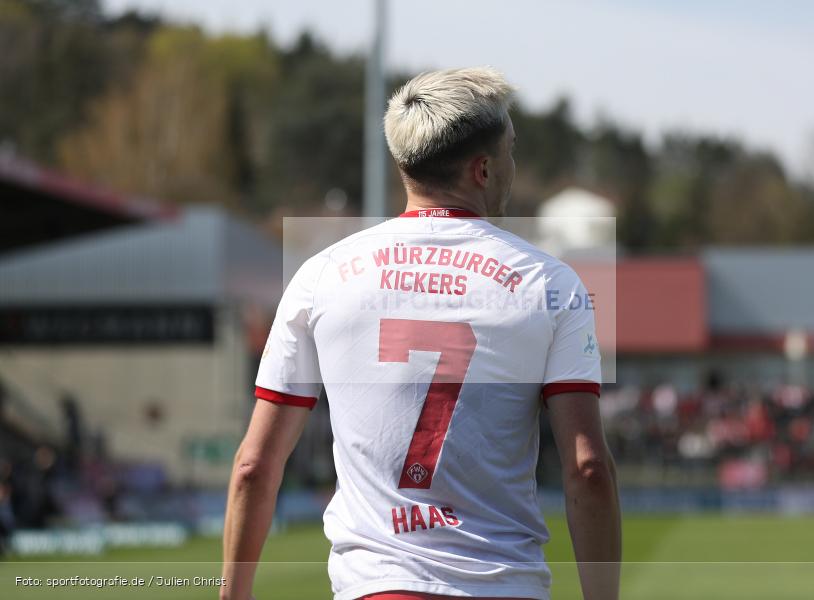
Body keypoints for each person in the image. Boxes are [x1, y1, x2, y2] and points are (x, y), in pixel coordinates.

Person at [221, 67, 620, 600]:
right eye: (510, 153)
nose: (513, 167)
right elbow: (587, 468)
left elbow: (254, 466)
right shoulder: (549, 283)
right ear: (482, 169)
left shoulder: (320, 275)